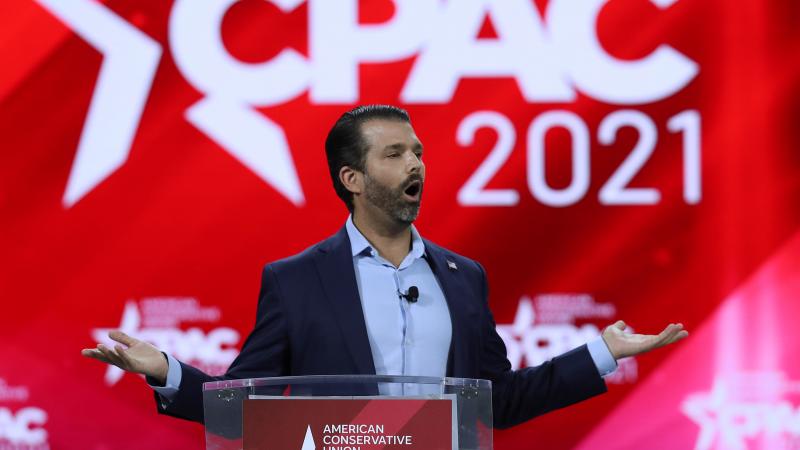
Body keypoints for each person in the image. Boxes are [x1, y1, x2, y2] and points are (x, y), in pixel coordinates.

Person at [82, 105, 688, 428]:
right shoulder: (296, 281)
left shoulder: (464, 277)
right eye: (395, 154)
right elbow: (246, 405)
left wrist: (603, 354)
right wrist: (165, 370)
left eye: (418, 151)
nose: (415, 164)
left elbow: (497, 402)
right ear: (353, 178)